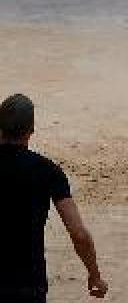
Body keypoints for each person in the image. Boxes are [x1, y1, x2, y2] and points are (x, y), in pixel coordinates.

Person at [0, 93, 108, 302]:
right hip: (27, 285)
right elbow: (79, 234)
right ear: (31, 130)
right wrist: (94, 275)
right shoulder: (48, 171)